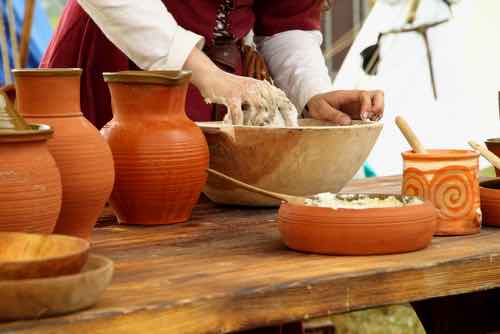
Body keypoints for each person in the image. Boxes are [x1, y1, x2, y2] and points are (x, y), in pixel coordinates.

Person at [41, 0, 384, 130]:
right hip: (115, 59)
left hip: (222, 88)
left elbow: (285, 18)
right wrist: (204, 73)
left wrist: (312, 92)